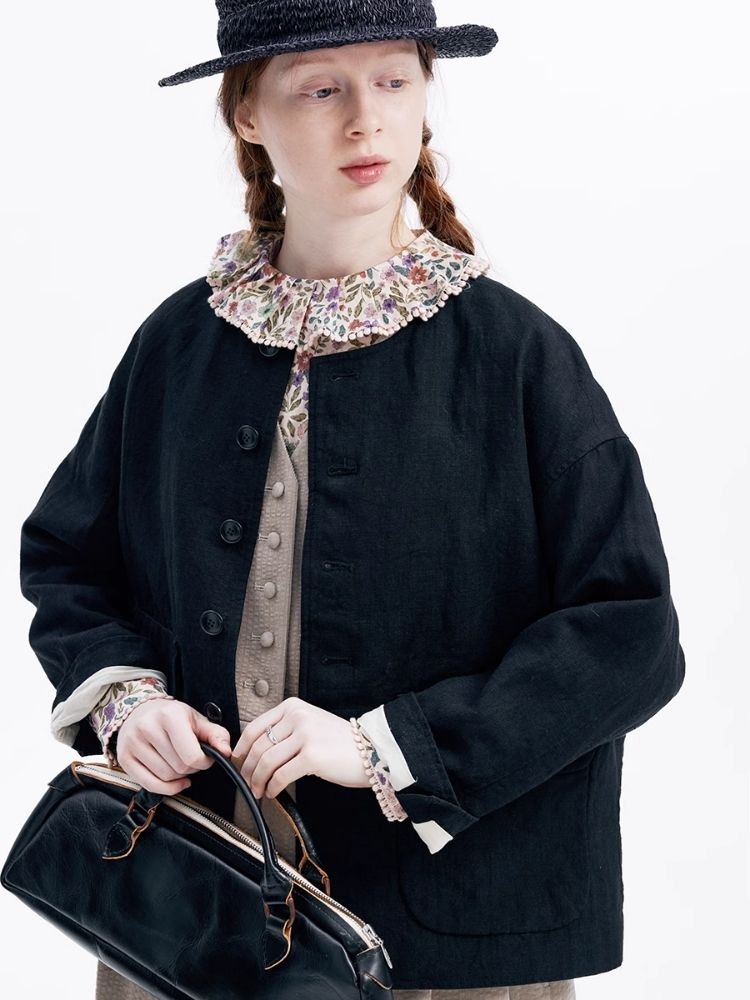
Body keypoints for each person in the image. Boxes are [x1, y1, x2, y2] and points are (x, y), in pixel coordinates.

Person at [19, 3, 686, 999]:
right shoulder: (178, 345)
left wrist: (393, 746)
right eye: (321, 88)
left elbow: (631, 634)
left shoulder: (518, 356)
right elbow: (70, 558)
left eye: (393, 80)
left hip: (450, 935)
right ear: (247, 114)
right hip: (190, 912)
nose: (365, 120)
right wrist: (130, 701)